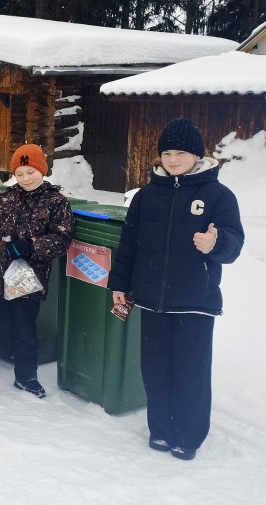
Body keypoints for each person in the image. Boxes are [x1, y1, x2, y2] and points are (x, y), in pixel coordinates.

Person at [108, 118, 244, 461]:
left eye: (179, 152)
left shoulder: (218, 196)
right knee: (155, 369)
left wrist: (216, 242)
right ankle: (161, 430)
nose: (172, 159)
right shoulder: (146, 195)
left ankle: (188, 435)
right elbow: (129, 245)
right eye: (166, 152)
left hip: (195, 302)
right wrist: (119, 285)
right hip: (151, 300)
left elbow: (234, 245)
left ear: (196, 154)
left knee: (191, 371)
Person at [0, 144, 74, 408]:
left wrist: (29, 246)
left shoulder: (56, 202)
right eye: (19, 173)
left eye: (30, 171)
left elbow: (61, 239)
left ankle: (26, 377)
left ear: (41, 170)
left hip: (27, 280)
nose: (25, 178)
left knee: (24, 331)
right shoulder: (4, 198)